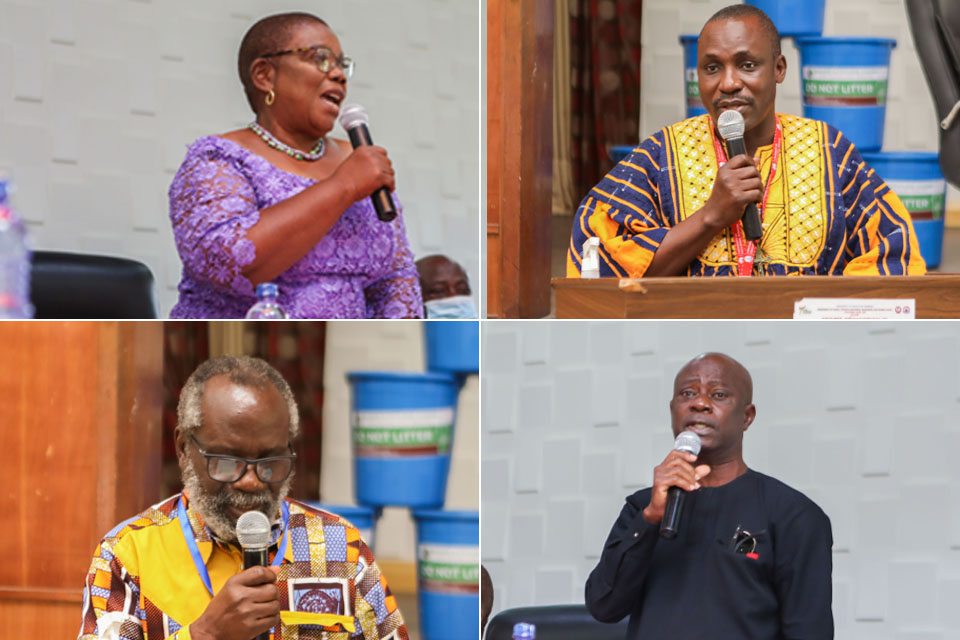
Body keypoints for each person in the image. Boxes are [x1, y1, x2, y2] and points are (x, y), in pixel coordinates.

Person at [567, 4, 926, 278]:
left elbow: (893, 255)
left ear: (779, 69)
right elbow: (598, 261)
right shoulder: (662, 154)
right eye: (711, 68)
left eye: (747, 65)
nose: (727, 83)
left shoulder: (829, 149)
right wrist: (711, 216)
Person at [78, 356, 408, 640]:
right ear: (183, 449)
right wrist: (206, 634)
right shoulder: (127, 556)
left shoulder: (341, 548)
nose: (251, 482)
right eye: (227, 461)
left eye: (269, 461)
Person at [168, 12, 422, 318]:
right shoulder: (218, 159)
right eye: (321, 59)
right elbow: (226, 263)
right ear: (264, 75)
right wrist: (342, 187)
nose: (339, 75)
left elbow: (397, 279)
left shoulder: (360, 159)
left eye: (342, 65)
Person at [584, 353, 833, 639]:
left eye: (718, 394)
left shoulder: (793, 515)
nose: (699, 403)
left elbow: (809, 630)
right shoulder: (642, 508)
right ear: (672, 410)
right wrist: (650, 520)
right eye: (687, 393)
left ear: (747, 416)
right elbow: (603, 606)